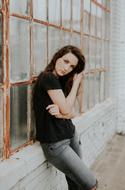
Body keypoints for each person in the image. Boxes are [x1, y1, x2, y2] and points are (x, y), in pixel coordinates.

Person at [32, 45, 98, 190]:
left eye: (72, 66)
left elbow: (72, 112)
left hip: (71, 134)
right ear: (57, 57)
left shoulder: (60, 80)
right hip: (56, 144)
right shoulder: (48, 77)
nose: (67, 68)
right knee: (90, 183)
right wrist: (76, 84)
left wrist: (62, 113)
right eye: (65, 61)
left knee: (75, 183)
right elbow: (68, 108)